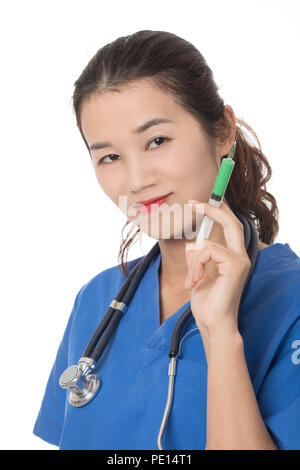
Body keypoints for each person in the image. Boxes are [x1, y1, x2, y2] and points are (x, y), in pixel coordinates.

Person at [33, 30, 300, 450]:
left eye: (157, 141)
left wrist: (220, 333)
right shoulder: (97, 299)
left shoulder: (292, 301)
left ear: (224, 131)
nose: (137, 180)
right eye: (109, 157)